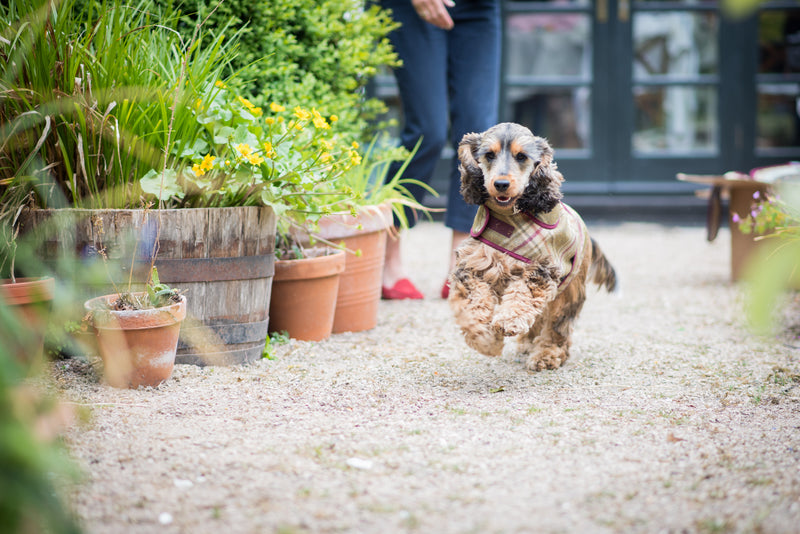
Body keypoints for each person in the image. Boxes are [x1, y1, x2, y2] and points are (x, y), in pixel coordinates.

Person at [377, 0, 502, 299]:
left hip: (479, 9)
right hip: (411, 7)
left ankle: (461, 264)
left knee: (478, 138)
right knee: (426, 132)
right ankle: (387, 259)